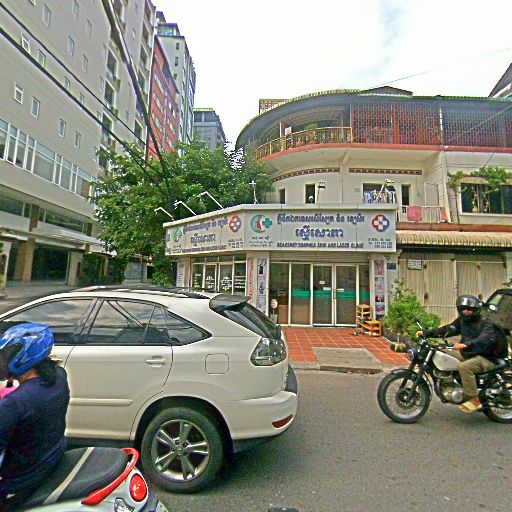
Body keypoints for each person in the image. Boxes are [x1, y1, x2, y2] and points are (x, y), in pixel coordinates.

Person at [0, 324, 70, 511]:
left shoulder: (15, 403)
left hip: (19, 483)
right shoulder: (59, 376)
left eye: (6, 355)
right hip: (49, 460)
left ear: (23, 356)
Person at [416, 294, 508, 414]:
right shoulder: (462, 321)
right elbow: (448, 329)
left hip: (487, 357)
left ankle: (474, 399)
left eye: (469, 309)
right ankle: (449, 384)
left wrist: (467, 344)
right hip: (469, 353)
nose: (465, 311)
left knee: (464, 367)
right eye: (463, 309)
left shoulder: (486, 323)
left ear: (475, 310)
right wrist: (426, 333)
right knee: (442, 354)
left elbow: (484, 339)